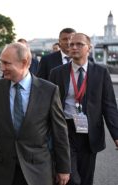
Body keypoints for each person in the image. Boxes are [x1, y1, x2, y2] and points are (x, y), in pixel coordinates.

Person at [0, 42, 70, 185]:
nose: (2, 68)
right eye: (1, 62)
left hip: (38, 169)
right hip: (4, 169)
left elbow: (60, 133)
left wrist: (63, 168)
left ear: (24, 62)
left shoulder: (49, 91)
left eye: (7, 64)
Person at [49, 33, 118, 185]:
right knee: (71, 178)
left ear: (89, 48)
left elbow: (109, 106)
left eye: (79, 44)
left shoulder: (101, 73)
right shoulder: (57, 73)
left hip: (90, 132)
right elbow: (49, 106)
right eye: (71, 44)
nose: (74, 47)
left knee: (86, 179)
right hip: (65, 130)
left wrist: (116, 135)